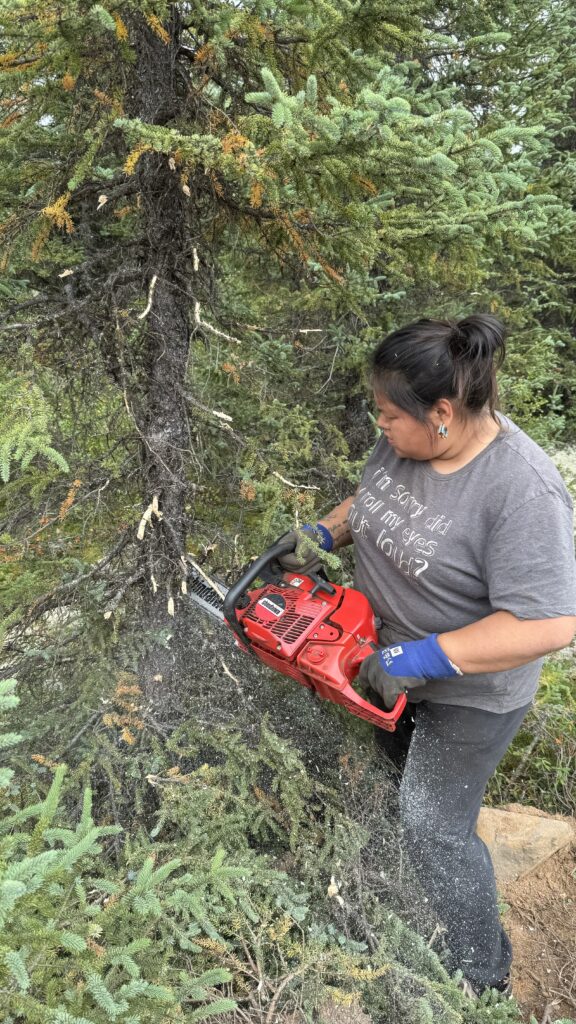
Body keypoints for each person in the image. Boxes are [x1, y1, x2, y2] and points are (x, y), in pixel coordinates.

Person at [277, 314, 576, 998]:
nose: (379, 426)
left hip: (469, 693)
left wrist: (419, 659)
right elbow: (377, 501)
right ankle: (403, 897)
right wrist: (322, 533)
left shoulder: (520, 491)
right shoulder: (409, 448)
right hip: (381, 660)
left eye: (389, 416)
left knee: (433, 823)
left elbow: (550, 622)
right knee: (391, 792)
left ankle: (481, 973)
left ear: (442, 412)